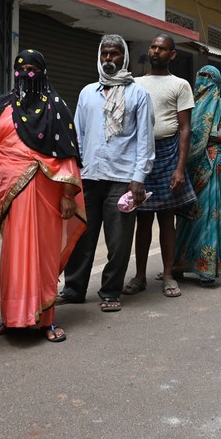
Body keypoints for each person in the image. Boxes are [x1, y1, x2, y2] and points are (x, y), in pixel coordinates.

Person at [0, 49, 86, 342]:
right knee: (13, 256)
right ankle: (11, 317)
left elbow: (67, 155)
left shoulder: (57, 107)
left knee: (43, 255)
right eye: (21, 67)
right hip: (8, 193)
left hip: (45, 195)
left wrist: (67, 196)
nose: (26, 73)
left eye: (33, 67)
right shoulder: (1, 105)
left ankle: (45, 319)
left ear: (43, 71)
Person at [59, 34, 154, 313]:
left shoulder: (138, 94)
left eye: (114, 54)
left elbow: (145, 140)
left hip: (123, 179)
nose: (109, 59)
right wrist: (73, 174)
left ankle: (111, 291)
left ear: (123, 57)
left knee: (119, 240)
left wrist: (138, 179)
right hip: (89, 176)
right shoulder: (88, 93)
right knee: (81, 236)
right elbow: (78, 135)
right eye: (105, 54)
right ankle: (74, 289)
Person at [125, 34, 195, 298]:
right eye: (153, 46)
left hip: (167, 152)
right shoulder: (135, 83)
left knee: (167, 219)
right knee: (142, 219)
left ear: (172, 55)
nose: (156, 51)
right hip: (141, 154)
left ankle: (167, 275)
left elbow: (186, 129)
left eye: (162, 48)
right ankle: (139, 276)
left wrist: (179, 168)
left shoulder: (180, 85)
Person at [173, 66, 221, 284]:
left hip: (212, 166)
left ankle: (206, 268)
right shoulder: (190, 105)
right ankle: (178, 264)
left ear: (217, 82)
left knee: (209, 216)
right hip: (188, 168)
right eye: (201, 76)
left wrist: (204, 134)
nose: (204, 80)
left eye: (210, 77)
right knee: (186, 216)